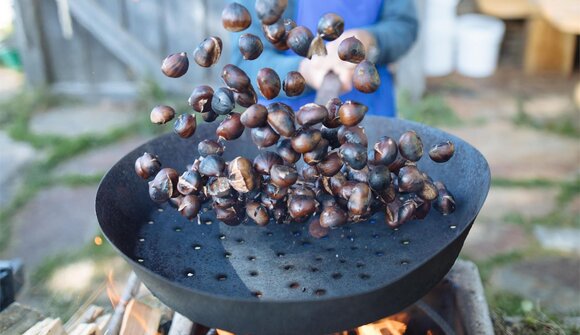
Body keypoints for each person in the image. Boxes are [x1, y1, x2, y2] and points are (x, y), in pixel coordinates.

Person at [231, 0, 418, 117]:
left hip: (372, 110)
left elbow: (404, 24)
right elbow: (245, 62)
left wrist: (371, 40)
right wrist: (304, 70)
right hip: (284, 120)